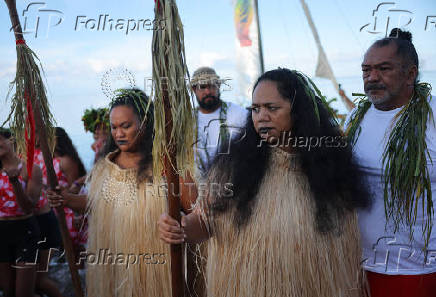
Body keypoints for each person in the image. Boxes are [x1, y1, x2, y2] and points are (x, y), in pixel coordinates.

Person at [159, 68, 371, 297]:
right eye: (256, 109)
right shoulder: (232, 166)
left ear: (298, 111)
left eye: (272, 108)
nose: (261, 116)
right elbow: (204, 222)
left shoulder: (332, 166)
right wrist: (180, 227)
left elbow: (345, 242)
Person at [50, 89, 172, 297]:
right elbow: (96, 203)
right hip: (112, 264)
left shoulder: (166, 167)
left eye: (126, 126)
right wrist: (67, 200)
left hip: (155, 267)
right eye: (114, 127)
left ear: (146, 123)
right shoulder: (104, 168)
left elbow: (191, 209)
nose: (118, 134)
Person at [345, 28, 436, 297]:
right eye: (366, 70)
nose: (372, 78)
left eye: (383, 69)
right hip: (359, 265)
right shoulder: (355, 118)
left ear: (411, 74)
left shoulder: (432, 117)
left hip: (419, 271)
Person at [0, 127, 42, 297]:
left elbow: (29, 207)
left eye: (0, 138)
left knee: (23, 293)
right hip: (1, 232)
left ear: (11, 140)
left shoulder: (31, 168)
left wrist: (15, 181)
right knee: (8, 291)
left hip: (25, 231)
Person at [191, 67, 248, 178]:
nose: (208, 91)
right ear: (194, 90)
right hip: (198, 187)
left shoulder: (239, 114)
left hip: (234, 181)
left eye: (212, 85)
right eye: (202, 87)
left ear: (219, 86)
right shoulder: (188, 121)